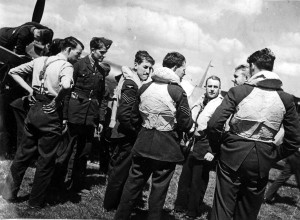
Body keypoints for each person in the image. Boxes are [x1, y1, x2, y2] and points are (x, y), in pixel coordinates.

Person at [207, 48, 300, 220]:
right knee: (247, 212)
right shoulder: (286, 99)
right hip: (262, 159)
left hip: (231, 154)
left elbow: (214, 124)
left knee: (222, 209)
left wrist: (221, 145)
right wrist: (272, 155)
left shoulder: (239, 91)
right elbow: (294, 140)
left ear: (252, 67)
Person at [0, 36, 84, 209]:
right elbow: (67, 86)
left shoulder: (41, 60)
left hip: (34, 108)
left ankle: (8, 193)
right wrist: (56, 102)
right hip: (50, 113)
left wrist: (31, 90)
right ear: (67, 49)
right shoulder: (66, 66)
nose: (79, 57)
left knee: (23, 154)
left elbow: (13, 72)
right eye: (78, 53)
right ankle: (35, 202)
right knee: (46, 160)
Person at [114, 52, 194, 220]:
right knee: (158, 191)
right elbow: (186, 123)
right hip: (166, 147)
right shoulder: (178, 91)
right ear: (173, 68)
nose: (184, 73)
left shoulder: (145, 86)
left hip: (143, 142)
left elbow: (134, 117)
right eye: (182, 69)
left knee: (132, 185)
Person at [103, 50, 155, 210]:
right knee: (119, 172)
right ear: (136, 65)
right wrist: (137, 131)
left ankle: (119, 202)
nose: (147, 71)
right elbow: (124, 115)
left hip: (129, 133)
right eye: (145, 67)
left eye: (150, 68)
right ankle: (110, 204)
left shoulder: (138, 83)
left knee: (126, 172)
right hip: (126, 134)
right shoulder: (130, 84)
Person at [62, 37, 112, 193]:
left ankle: (76, 184)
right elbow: (67, 92)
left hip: (90, 116)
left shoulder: (101, 70)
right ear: (92, 50)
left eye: (105, 52)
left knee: (84, 151)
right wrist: (64, 116)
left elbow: (101, 96)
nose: (104, 55)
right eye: (102, 52)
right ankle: (57, 182)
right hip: (74, 113)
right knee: (66, 150)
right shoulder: (78, 65)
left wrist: (101, 119)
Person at [174, 75, 223, 219]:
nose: (212, 89)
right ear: (206, 87)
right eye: (210, 86)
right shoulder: (201, 100)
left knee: (198, 181)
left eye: (215, 87)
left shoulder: (220, 105)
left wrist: (212, 151)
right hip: (192, 144)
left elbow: (220, 130)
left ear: (219, 89)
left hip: (206, 145)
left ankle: (192, 211)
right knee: (185, 177)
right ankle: (180, 206)